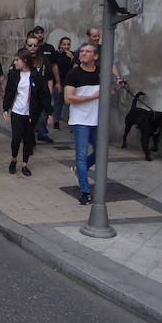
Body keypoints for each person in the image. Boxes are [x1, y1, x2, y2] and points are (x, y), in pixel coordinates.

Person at [3, 49, 53, 176]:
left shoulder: (37, 76)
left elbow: (44, 95)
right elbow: (9, 92)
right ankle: (13, 159)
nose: (14, 62)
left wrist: (49, 112)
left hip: (31, 113)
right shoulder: (14, 75)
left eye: (17, 60)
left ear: (24, 61)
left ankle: (25, 164)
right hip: (16, 111)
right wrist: (6, 108)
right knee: (16, 138)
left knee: (28, 139)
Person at [64, 43, 100, 205]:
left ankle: (80, 170)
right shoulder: (73, 74)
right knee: (81, 155)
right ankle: (85, 191)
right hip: (80, 121)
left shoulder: (101, 73)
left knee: (101, 153)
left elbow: (108, 92)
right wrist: (93, 97)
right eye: (82, 51)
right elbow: (68, 98)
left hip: (98, 120)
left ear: (96, 56)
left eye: (88, 51)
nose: (83, 54)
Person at [53, 37, 75, 129]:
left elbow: (77, 66)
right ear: (60, 45)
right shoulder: (56, 54)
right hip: (59, 82)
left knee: (70, 105)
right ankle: (56, 122)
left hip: (69, 83)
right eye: (64, 44)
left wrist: (72, 58)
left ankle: (71, 124)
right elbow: (54, 67)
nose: (66, 46)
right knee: (58, 103)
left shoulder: (72, 54)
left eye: (68, 44)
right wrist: (57, 82)